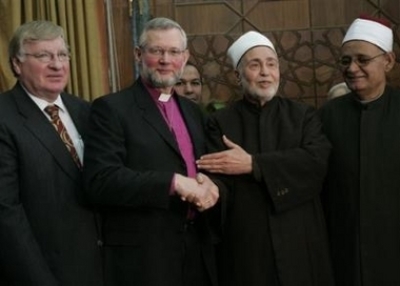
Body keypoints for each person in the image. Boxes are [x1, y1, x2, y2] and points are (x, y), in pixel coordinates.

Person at [83, 17, 220, 286]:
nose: (165, 60)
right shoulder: (111, 109)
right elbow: (100, 181)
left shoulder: (194, 112)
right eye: (156, 51)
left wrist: (214, 187)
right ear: (138, 54)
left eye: (173, 52)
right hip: (144, 259)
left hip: (196, 252)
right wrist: (172, 183)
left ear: (185, 57)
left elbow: (206, 167)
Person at [196, 31, 335, 286]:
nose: (265, 72)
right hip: (247, 242)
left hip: (299, 237)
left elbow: (315, 162)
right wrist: (209, 187)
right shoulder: (220, 122)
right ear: (238, 75)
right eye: (254, 64)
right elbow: (218, 176)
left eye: (271, 64)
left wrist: (253, 165)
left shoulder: (303, 116)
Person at [0, 21, 102, 285]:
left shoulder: (87, 111)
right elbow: (6, 213)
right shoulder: (4, 116)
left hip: (101, 269)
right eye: (43, 56)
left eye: (62, 55)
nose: (57, 65)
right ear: (16, 65)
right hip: (44, 273)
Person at [318, 15, 399, 286]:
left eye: (362, 60)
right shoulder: (325, 116)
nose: (352, 68)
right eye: (345, 61)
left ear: (388, 61)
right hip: (343, 248)